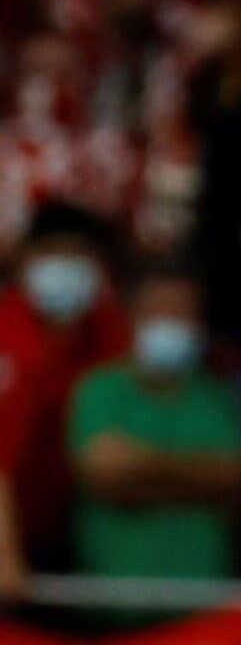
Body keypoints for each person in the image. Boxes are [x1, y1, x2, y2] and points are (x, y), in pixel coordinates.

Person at [67, 264, 241, 626]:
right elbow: (105, 474)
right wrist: (194, 478)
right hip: (109, 612)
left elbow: (232, 478)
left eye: (182, 314)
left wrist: (141, 469)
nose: (171, 323)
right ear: (133, 317)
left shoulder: (216, 396)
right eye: (160, 312)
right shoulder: (98, 390)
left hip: (206, 615)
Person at [0, 203, 130, 601]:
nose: (66, 266)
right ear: (24, 261)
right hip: (12, 539)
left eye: (78, 254)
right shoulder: (6, 332)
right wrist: (5, 553)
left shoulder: (115, 331)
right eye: (53, 253)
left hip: (87, 527)